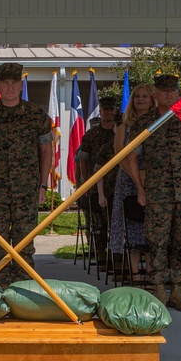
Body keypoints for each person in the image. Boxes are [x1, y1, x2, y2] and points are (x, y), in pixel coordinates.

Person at [0, 63, 53, 288]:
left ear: (21, 85)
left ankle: (23, 292)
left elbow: (46, 151)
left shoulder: (37, 116)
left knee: (25, 245)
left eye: (14, 83)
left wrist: (43, 185)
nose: (10, 87)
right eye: (5, 83)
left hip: (27, 191)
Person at [128, 74, 181, 311]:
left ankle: (178, 291)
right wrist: (140, 188)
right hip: (157, 194)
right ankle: (159, 290)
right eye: (163, 91)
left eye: (173, 91)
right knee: (157, 242)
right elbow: (132, 156)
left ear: (179, 94)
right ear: (155, 95)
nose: (169, 95)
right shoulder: (145, 124)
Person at [109, 85, 155, 266]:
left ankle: (152, 274)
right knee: (133, 227)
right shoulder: (124, 127)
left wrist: (147, 176)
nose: (140, 100)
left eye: (145, 96)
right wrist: (137, 176)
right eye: (137, 97)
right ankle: (135, 275)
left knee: (151, 229)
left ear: (152, 100)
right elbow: (119, 155)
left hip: (153, 179)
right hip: (128, 179)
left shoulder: (157, 124)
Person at [76, 96, 118, 254]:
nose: (108, 113)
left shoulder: (120, 133)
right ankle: (100, 257)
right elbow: (83, 160)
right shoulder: (91, 135)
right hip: (95, 187)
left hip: (116, 185)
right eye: (105, 110)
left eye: (111, 109)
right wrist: (86, 183)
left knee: (116, 225)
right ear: (100, 112)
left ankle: (116, 259)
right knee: (98, 226)